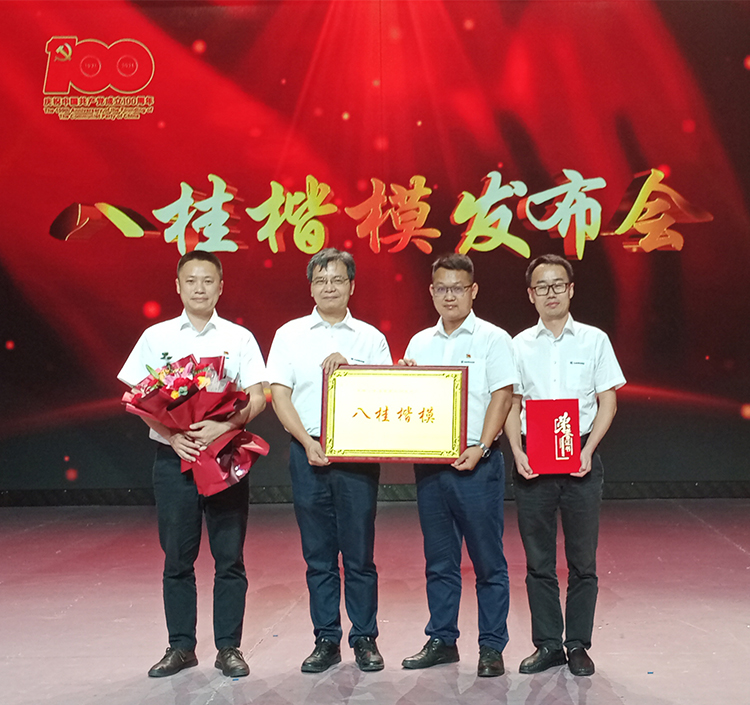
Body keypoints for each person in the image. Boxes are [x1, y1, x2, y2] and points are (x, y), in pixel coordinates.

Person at [118, 251, 266, 679]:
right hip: (174, 460)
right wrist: (173, 435)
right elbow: (138, 398)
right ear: (178, 286)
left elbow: (258, 395)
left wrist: (226, 424)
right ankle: (181, 647)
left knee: (229, 557)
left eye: (208, 281)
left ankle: (229, 648)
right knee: (177, 559)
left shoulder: (239, 338)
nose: (200, 288)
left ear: (221, 287)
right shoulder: (156, 336)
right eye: (191, 281)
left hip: (224, 458)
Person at [265, 248, 392, 673]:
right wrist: (306, 441)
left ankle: (365, 638)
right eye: (321, 281)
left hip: (357, 456)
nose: (329, 287)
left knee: (359, 554)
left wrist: (351, 369)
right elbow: (280, 395)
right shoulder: (289, 335)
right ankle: (326, 639)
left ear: (351, 285)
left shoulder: (371, 338)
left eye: (337, 280)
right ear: (311, 288)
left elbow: (388, 395)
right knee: (318, 555)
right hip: (308, 452)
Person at [505, 253, 626, 677]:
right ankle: (547, 645)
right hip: (533, 462)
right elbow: (513, 403)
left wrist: (589, 449)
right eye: (542, 286)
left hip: (580, 460)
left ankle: (577, 644)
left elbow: (607, 400)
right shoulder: (518, 344)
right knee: (538, 561)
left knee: (582, 562)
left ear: (571, 290)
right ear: (531, 295)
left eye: (558, 284)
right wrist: (517, 450)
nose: (550, 292)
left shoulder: (594, 340)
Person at [399, 253, 516, 678]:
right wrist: (402, 378)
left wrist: (482, 447)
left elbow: (503, 396)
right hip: (431, 467)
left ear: (473, 291)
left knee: (488, 562)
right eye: (442, 289)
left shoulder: (493, 339)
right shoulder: (419, 343)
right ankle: (442, 640)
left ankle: (491, 646)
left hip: (477, 464)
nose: (450, 296)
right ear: (432, 292)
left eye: (458, 288)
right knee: (439, 561)